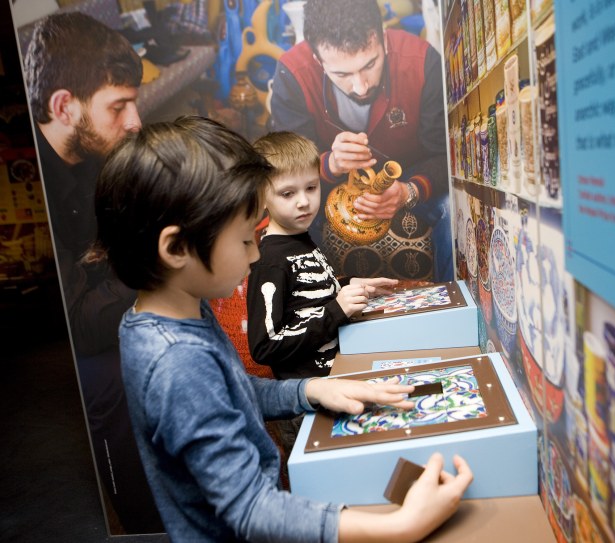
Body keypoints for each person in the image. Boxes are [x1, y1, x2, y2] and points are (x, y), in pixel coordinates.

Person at [94, 115, 473, 542]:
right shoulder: (175, 362)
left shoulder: (177, 316)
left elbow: (231, 391)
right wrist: (401, 527)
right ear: (178, 247)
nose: (256, 256)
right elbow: (252, 508)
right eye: (243, 241)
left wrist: (308, 391)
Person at [22, 12, 162, 532]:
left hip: (108, 301)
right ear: (64, 107)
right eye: (118, 106)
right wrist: (155, 265)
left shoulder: (98, 152)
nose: (134, 121)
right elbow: (76, 323)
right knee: (111, 379)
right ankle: (147, 525)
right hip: (50, 355)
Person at [270, 0, 453, 282]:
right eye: (342, 74)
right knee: (284, 220)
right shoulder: (293, 72)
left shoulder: (420, 60)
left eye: (370, 64)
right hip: (328, 190)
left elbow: (446, 155)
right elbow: (283, 169)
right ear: (318, 60)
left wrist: (408, 191)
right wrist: (330, 162)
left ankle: (454, 309)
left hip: (412, 178)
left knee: (454, 209)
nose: (361, 86)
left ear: (383, 38)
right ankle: (323, 315)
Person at [246, 131, 398, 458]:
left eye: (311, 188)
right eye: (287, 193)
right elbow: (265, 344)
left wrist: (349, 284)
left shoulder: (301, 236)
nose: (303, 201)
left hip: (336, 380)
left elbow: (306, 296)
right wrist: (335, 311)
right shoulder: (270, 262)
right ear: (262, 197)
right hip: (308, 405)